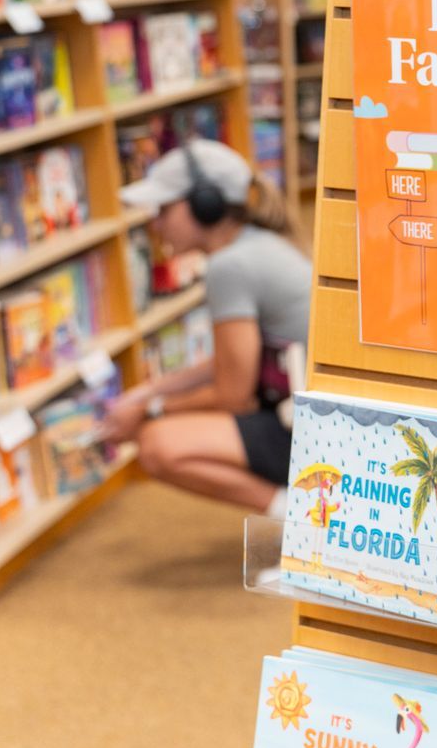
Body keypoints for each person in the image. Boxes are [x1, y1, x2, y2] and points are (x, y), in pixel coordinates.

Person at [100, 139, 311, 516]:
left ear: (205, 204)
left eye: (164, 208)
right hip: (301, 413)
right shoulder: (255, 245)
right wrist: (150, 391)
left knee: (156, 445)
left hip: (305, 430)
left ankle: (300, 519)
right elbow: (233, 364)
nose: (156, 223)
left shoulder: (229, 266)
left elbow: (233, 395)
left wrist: (152, 410)